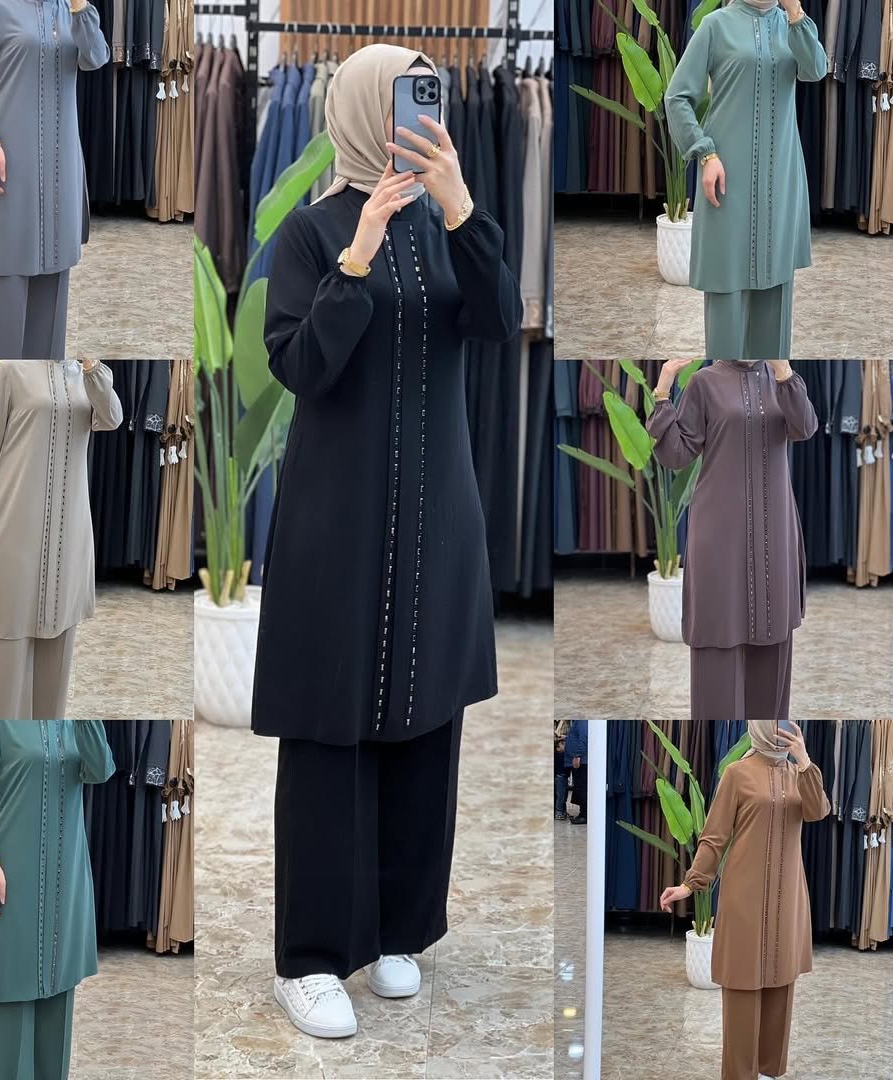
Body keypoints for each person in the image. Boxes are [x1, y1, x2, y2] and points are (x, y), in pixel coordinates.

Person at [248, 43, 522, 1040]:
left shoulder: (453, 222)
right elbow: (299, 366)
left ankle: (400, 929)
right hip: (339, 520)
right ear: (364, 109)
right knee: (331, 726)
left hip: (437, 515)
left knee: (424, 717)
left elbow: (501, 319)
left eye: (428, 98)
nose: (420, 115)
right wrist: (357, 257)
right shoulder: (312, 231)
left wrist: (461, 208)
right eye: (402, 98)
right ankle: (311, 957)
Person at [646, 359, 818, 722]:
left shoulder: (780, 377)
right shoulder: (704, 382)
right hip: (719, 532)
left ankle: (764, 739)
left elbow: (804, 427)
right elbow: (676, 454)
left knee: (772, 637)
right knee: (717, 636)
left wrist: (784, 373)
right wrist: (663, 391)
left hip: (775, 531)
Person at [0, 360, 124, 720]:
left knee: (55, 674)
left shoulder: (87, 375)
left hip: (70, 539)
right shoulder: (11, 369)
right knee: (8, 665)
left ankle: (45, 751)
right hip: (15, 532)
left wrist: (91, 367)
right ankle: (6, 756)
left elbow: (112, 418)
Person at [0, 719, 117, 1080]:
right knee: (8, 1004)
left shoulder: (75, 724)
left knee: (57, 1016)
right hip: (10, 886)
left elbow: (100, 768)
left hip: (65, 891)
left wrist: (85, 712)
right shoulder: (1, 722)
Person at [660, 721, 829, 1080]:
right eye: (777, 726)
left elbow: (818, 811)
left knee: (781, 984)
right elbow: (714, 837)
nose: (783, 732)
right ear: (762, 728)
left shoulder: (799, 774)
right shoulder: (736, 773)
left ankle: (769, 1072)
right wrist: (690, 884)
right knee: (742, 987)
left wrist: (803, 760)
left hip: (788, 900)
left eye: (789, 726)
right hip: (744, 899)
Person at [664, 0, 827, 360]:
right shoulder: (716, 25)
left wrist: (795, 14)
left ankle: (766, 385)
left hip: (781, 178)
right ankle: (724, 382)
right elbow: (676, 97)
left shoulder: (793, 25)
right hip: (726, 177)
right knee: (726, 284)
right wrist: (705, 153)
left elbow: (816, 69)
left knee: (777, 290)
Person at [0, 0, 110, 360]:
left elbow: (96, 57)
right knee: (6, 304)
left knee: (51, 328)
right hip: (9, 171)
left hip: (61, 175)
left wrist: (80, 8)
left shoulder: (73, 11)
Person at [565, 721, 588, 825]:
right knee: (580, 787)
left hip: (582, 761)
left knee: (582, 788)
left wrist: (577, 755)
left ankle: (584, 815)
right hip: (581, 760)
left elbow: (584, 738)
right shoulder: (578, 721)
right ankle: (583, 814)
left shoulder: (582, 721)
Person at [555, 720, 571, 820]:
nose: (564, 746)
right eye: (562, 745)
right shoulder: (559, 755)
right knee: (561, 795)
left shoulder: (561, 754)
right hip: (560, 777)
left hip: (563, 777)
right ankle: (559, 812)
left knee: (563, 795)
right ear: (557, 748)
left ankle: (562, 811)